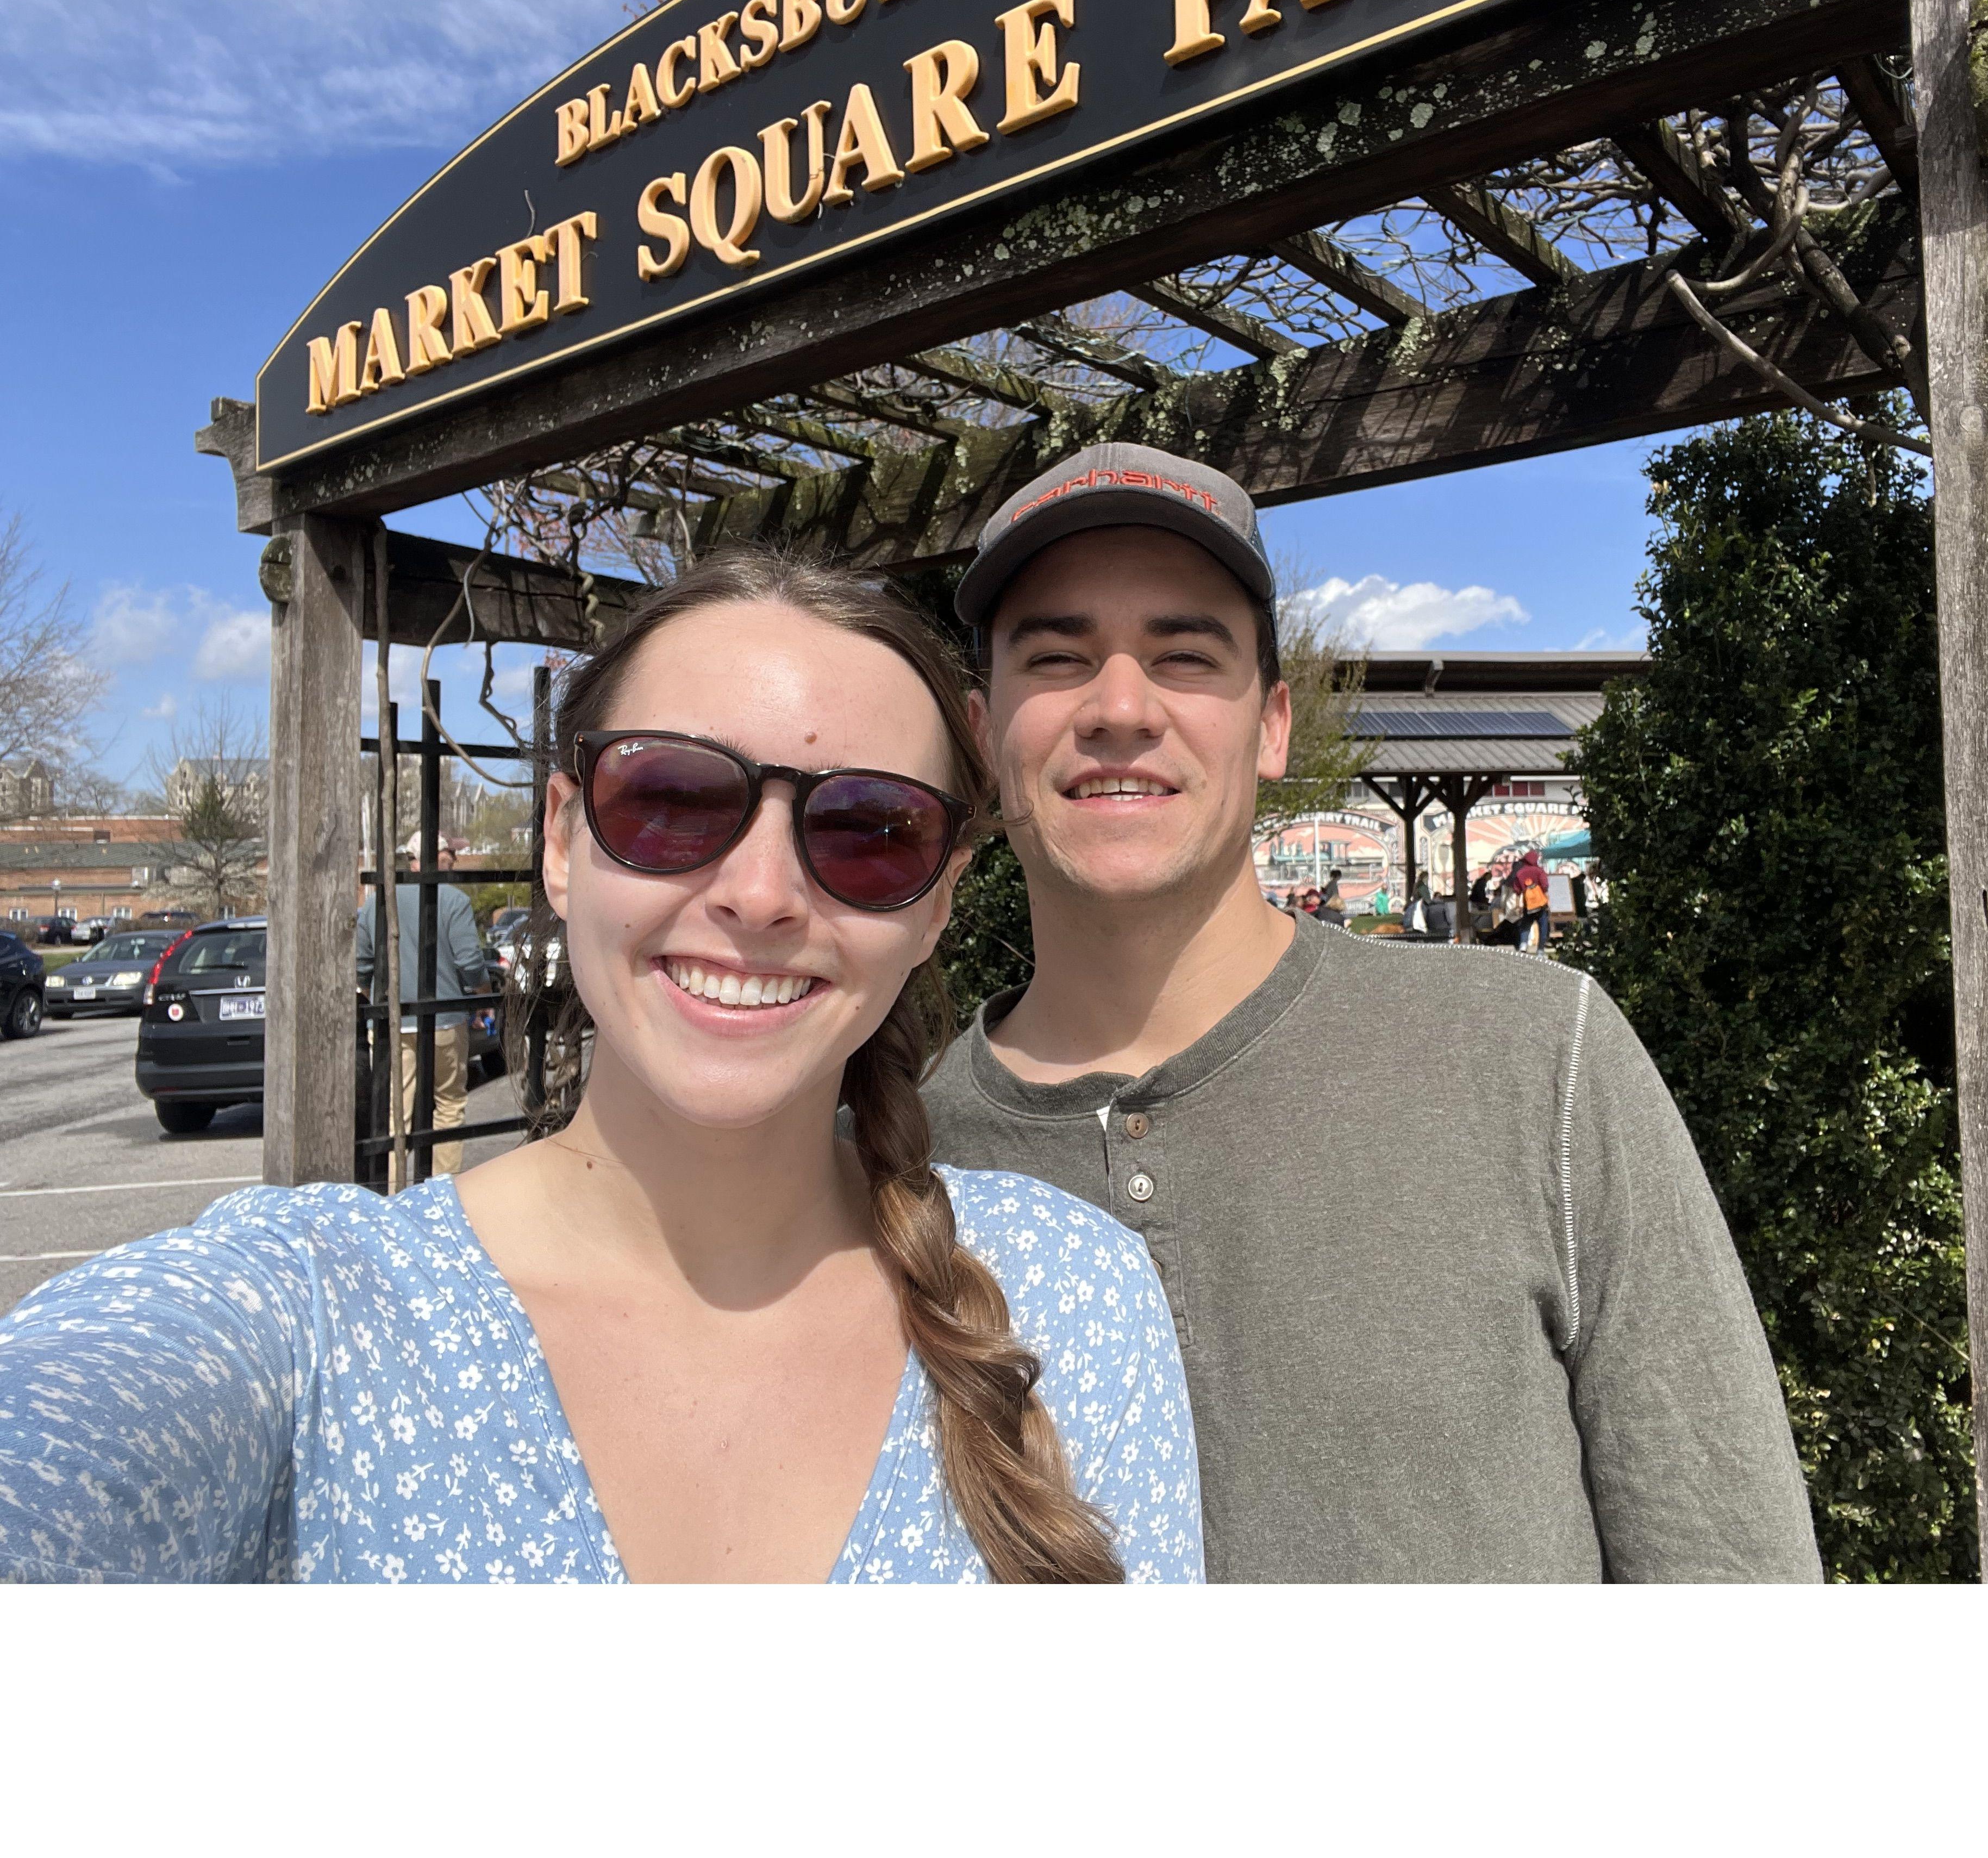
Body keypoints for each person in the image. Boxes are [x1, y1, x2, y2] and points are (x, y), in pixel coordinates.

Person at [0, 547, 1201, 1586]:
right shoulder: (311, 1316)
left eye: (867, 830)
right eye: (673, 799)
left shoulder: (1071, 1299)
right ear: (565, 840)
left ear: (939, 903)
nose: (761, 894)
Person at [927, 439, 1819, 1582]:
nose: (1119, 706)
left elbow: (1733, 1567)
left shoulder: (1538, 1059)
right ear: (982, 730)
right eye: (1055, 658)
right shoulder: (893, 1171)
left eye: (1185, 655)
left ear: (1273, 725)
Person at [355, 839, 490, 1178]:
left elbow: (361, 961)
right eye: (447, 857)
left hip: (391, 1019)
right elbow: (470, 962)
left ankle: (392, 1191)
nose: (452, 863)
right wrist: (484, 995)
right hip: (444, 1017)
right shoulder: (454, 900)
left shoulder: (379, 902)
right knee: (448, 1104)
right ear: (420, 862)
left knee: (393, 1112)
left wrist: (368, 988)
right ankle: (442, 1189)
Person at [1509, 845, 1552, 955]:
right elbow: (1545, 886)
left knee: (1526, 925)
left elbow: (1517, 890)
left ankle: (1523, 945)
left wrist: (1519, 905)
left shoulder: (1520, 873)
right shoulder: (1539, 871)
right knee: (1543, 927)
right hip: (1541, 904)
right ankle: (1541, 951)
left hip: (1528, 905)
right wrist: (1548, 901)